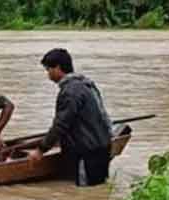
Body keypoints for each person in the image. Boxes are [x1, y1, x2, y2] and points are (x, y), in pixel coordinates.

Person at [27, 48, 115, 187]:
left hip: (87, 153)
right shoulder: (85, 84)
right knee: (98, 192)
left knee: (85, 194)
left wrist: (40, 150)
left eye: (48, 69)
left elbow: (61, 124)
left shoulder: (70, 91)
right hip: (101, 147)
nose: (48, 74)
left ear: (57, 68)